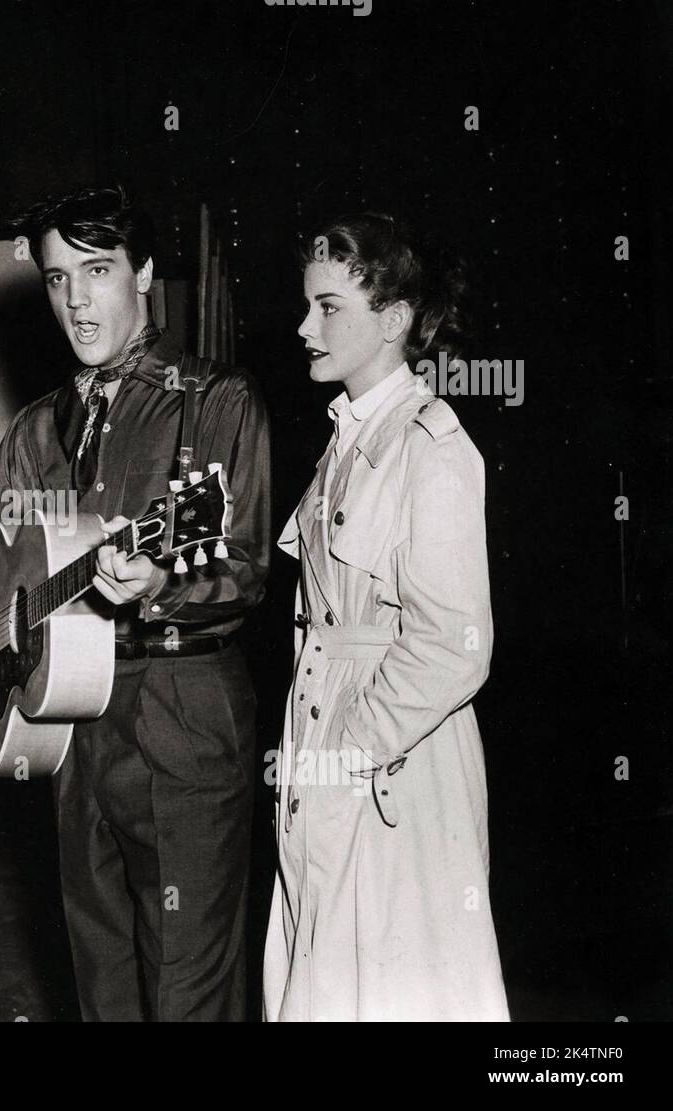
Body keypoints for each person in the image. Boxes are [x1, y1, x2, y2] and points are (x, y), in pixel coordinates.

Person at [0, 185, 271, 1021]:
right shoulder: (39, 429)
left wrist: (163, 586)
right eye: (55, 278)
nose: (75, 299)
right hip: (69, 733)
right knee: (101, 989)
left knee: (189, 993)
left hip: (181, 722)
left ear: (144, 272)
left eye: (97, 269)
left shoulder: (215, 401)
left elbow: (249, 565)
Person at [263, 213, 509, 1021]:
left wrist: (351, 749)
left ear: (395, 320)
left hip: (393, 775)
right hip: (325, 764)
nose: (305, 326)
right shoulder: (346, 439)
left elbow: (454, 646)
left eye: (328, 307)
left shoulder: (430, 446)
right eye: (307, 306)